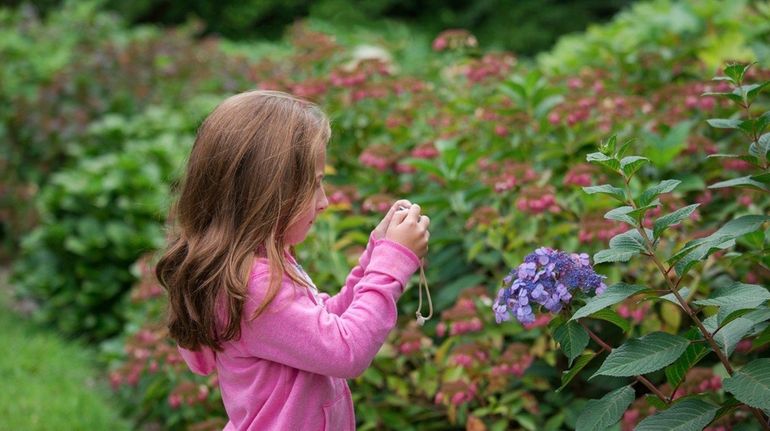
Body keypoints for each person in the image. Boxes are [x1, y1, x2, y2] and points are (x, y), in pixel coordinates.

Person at [155, 90, 430, 430]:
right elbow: (346, 350)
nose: (325, 201)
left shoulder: (253, 266)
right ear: (270, 193)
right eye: (314, 185)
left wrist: (376, 253)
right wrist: (392, 263)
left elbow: (320, 328)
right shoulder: (253, 285)